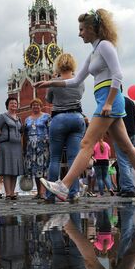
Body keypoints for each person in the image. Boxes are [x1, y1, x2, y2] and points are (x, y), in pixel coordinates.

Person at [34, 9, 135, 201]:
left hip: (109, 100)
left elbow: (117, 74)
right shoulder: (94, 52)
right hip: (105, 100)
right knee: (127, 146)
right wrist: (50, 83)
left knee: (86, 143)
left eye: (82, 29)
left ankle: (64, 186)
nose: (79, 33)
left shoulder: (105, 46)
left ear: (92, 29)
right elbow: (76, 80)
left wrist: (109, 102)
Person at [45, 52, 86, 203]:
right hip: (76, 118)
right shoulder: (79, 81)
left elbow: (48, 99)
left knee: (54, 158)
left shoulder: (54, 81)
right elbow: (80, 95)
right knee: (73, 159)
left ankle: (50, 196)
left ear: (58, 65)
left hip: (59, 119)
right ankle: (73, 193)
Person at [0, 97, 24, 200]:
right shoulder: (2, 116)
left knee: (14, 169)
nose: (14, 105)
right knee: (7, 169)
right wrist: (3, 137)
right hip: (6, 145)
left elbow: (21, 130)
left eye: (15, 103)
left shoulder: (19, 118)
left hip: (16, 146)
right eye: (11, 103)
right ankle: (7, 193)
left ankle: (12, 192)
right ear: (7, 105)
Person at [24, 98, 50, 198]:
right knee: (35, 170)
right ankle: (39, 192)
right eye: (34, 105)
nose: (36, 106)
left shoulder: (46, 117)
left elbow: (50, 130)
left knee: (43, 169)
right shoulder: (27, 119)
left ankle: (44, 192)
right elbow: (25, 133)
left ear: (41, 106)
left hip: (43, 144)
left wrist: (49, 143)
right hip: (31, 146)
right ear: (31, 107)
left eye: (38, 105)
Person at [114, 91, 135, 197]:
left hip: (120, 133)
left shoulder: (116, 101)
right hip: (132, 132)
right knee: (128, 161)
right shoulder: (130, 102)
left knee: (122, 161)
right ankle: (124, 187)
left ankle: (128, 188)